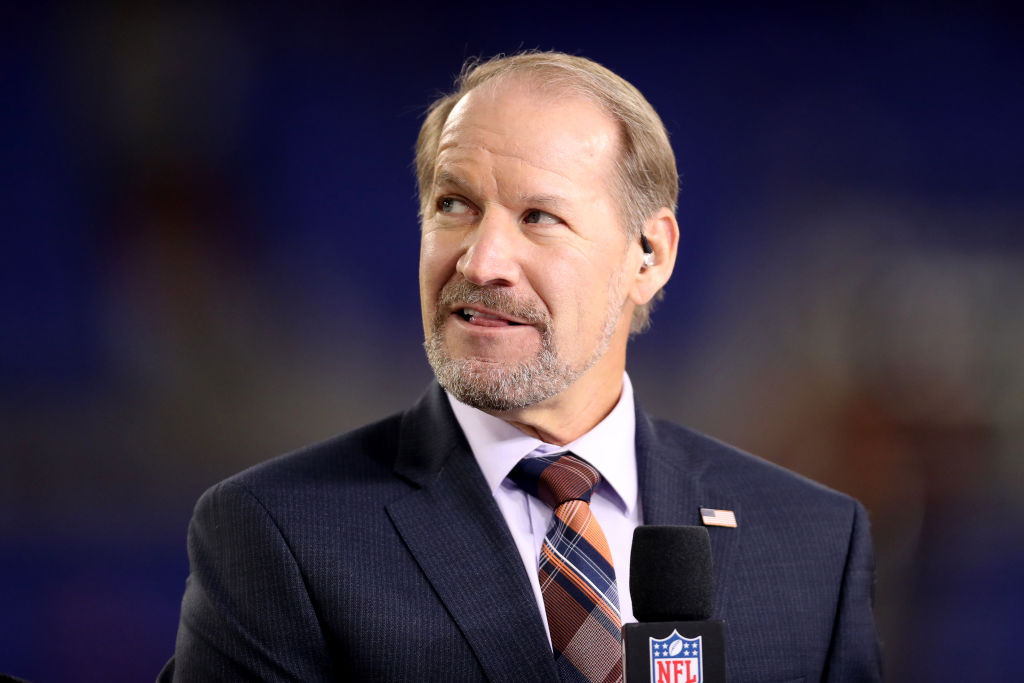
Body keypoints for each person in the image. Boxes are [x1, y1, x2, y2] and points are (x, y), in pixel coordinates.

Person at [160, 52, 881, 682]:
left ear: (650, 255)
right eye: (453, 205)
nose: (480, 261)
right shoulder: (277, 535)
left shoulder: (813, 541)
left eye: (538, 216)